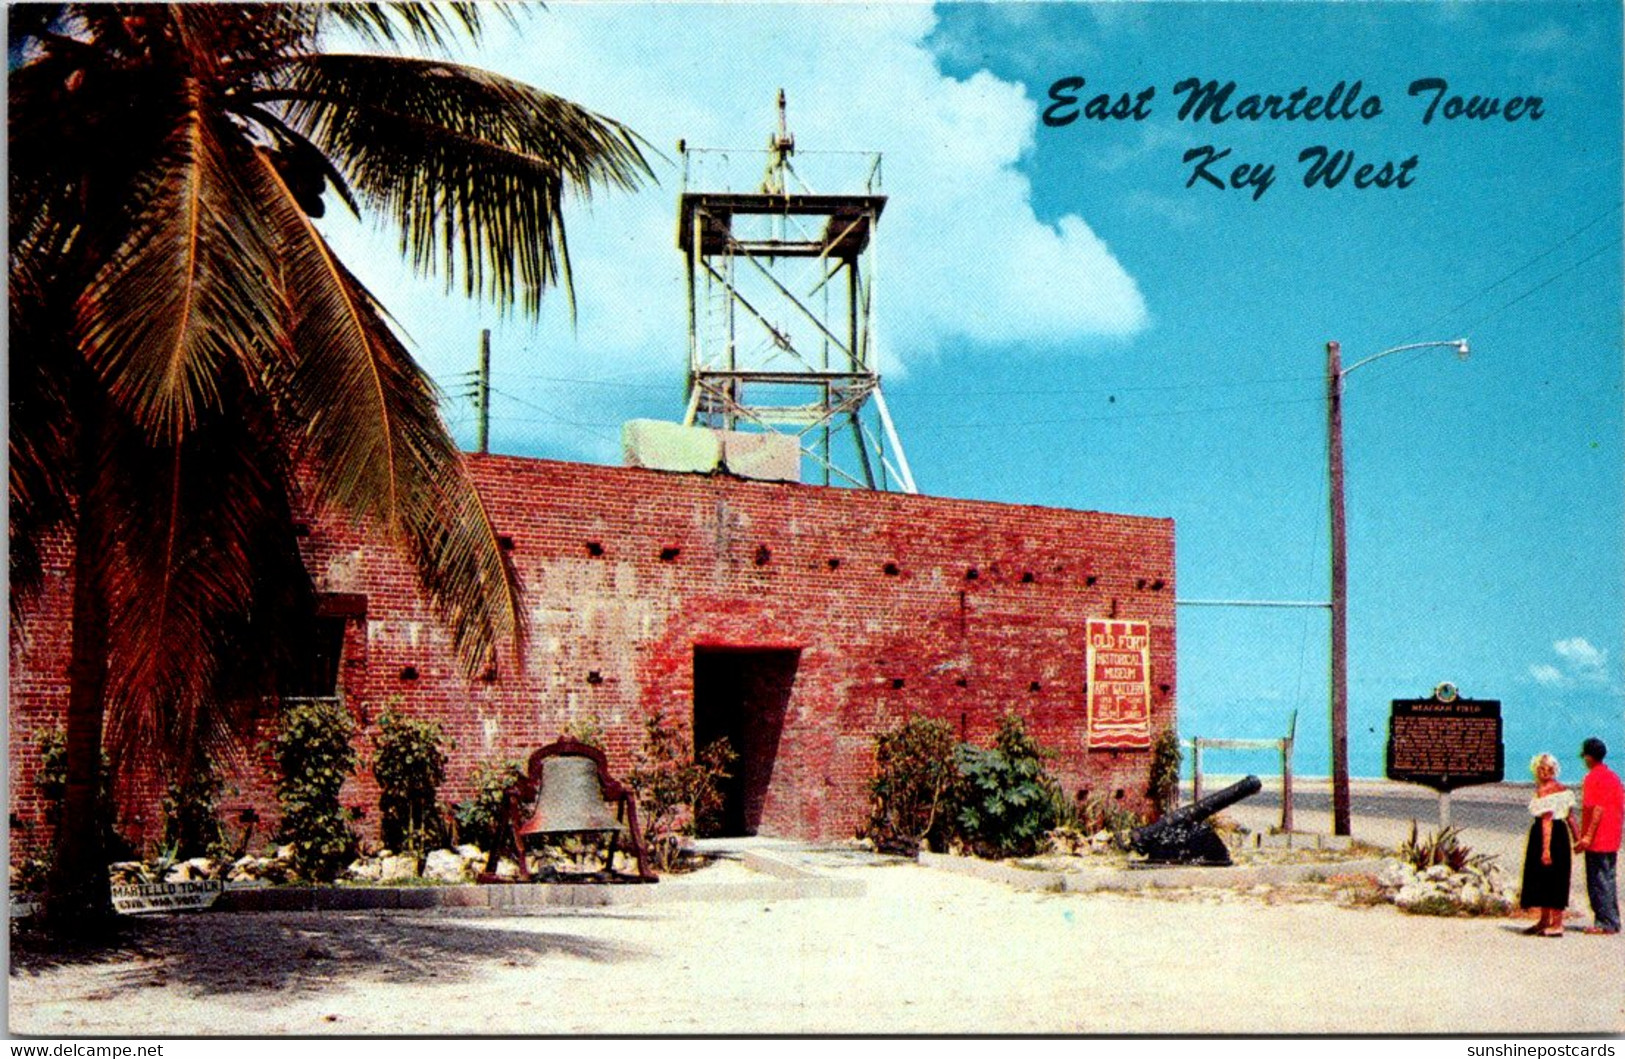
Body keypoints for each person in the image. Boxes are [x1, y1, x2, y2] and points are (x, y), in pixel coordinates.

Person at [1519, 752, 1578, 937]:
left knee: (1552, 877)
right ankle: (1545, 921)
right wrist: (1577, 839)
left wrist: (1545, 849)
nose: (1545, 772)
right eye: (1541, 769)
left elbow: (1547, 821)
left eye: (1548, 769)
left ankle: (1557, 923)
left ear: (1554, 770)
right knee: (1549, 878)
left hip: (1549, 835)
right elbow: (1570, 818)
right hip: (1560, 835)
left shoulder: (1546, 791)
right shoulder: (1563, 789)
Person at [1573, 736, 1621, 936]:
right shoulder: (1613, 777)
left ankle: (1605, 922)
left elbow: (1597, 809)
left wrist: (1587, 837)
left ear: (1589, 757)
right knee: (1608, 878)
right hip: (1613, 836)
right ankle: (1612, 920)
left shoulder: (1593, 778)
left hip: (1599, 838)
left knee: (1598, 881)